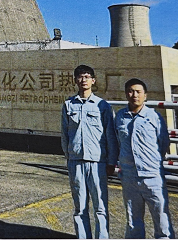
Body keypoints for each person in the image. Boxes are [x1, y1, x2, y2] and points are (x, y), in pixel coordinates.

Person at [61, 65, 119, 239]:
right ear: (75, 80)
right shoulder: (68, 105)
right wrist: (69, 157)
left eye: (87, 76)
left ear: (93, 80)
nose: (83, 80)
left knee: (100, 206)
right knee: (80, 207)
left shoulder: (103, 106)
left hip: (97, 162)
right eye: (80, 76)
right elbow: (64, 134)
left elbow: (111, 135)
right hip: (76, 161)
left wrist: (111, 162)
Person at [114, 78, 175, 239]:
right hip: (129, 176)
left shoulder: (154, 117)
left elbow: (163, 143)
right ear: (126, 94)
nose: (134, 95)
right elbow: (117, 142)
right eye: (130, 91)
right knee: (133, 221)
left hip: (152, 176)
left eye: (138, 92)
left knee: (162, 219)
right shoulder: (120, 117)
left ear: (145, 95)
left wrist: (152, 162)